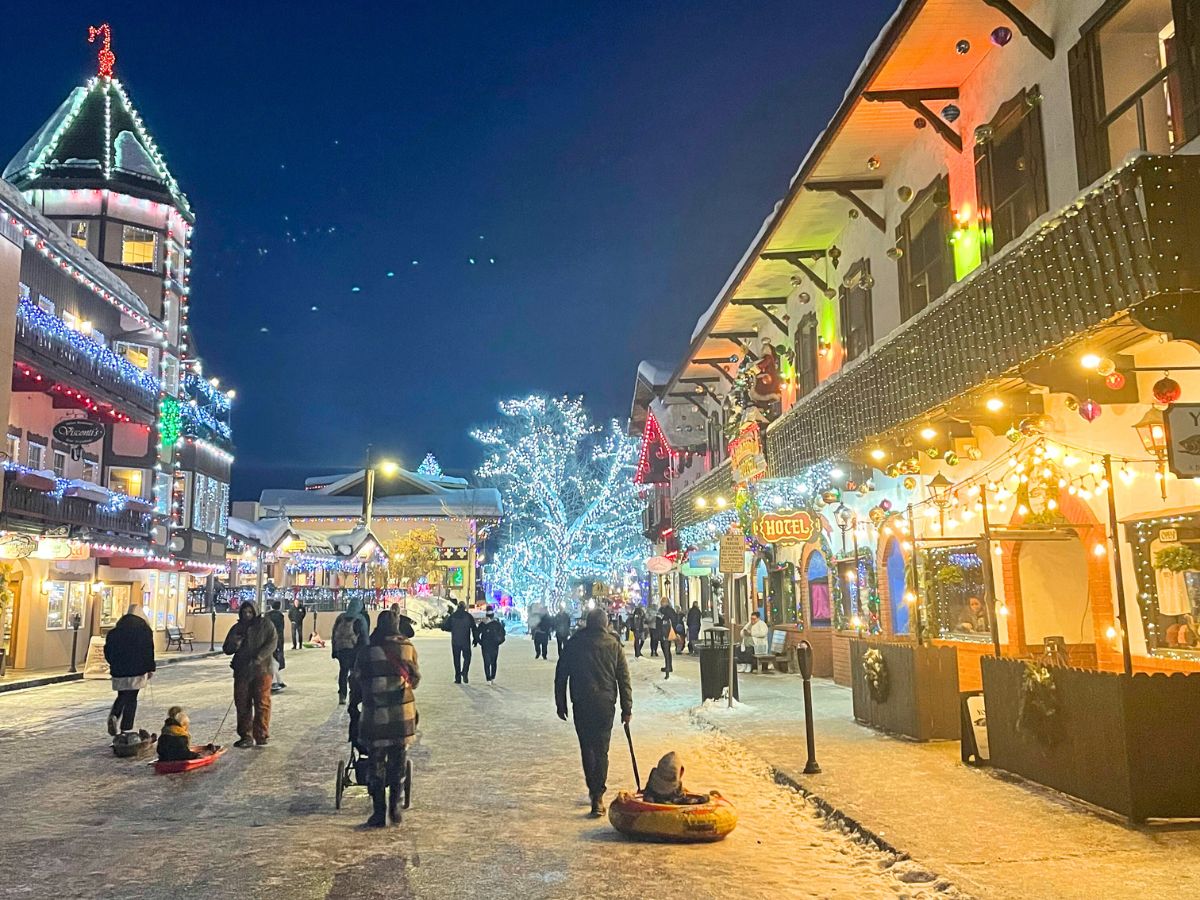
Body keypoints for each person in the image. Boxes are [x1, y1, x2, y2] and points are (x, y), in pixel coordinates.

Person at [555, 608, 633, 818]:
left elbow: (561, 674)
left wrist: (560, 702)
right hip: (605, 703)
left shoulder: (574, 643)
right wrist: (627, 709)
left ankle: (594, 790)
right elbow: (623, 679)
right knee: (602, 749)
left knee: (587, 747)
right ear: (605, 623)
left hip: (581, 701)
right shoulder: (614, 645)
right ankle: (598, 793)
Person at [354, 609, 420, 827]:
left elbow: (356, 679)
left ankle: (378, 811)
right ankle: (395, 806)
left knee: (376, 762)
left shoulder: (368, 650)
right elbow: (415, 678)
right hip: (402, 716)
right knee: (398, 762)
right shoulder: (407, 647)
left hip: (376, 715)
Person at [222, 601, 277, 748]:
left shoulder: (266, 625)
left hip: (262, 670)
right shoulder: (237, 628)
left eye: (250, 612)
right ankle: (245, 735)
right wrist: (235, 644)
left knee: (262, 703)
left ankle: (261, 734)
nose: (247, 615)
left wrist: (258, 658)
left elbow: (272, 643)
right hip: (242, 671)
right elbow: (227, 648)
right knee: (242, 703)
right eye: (245, 612)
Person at [103, 603, 156, 736]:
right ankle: (126, 728)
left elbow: (107, 651)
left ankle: (114, 715)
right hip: (137, 670)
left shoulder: (114, 632)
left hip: (119, 669)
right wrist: (150, 668)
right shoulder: (144, 631)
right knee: (132, 698)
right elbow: (148, 651)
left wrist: (113, 663)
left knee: (122, 695)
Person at [332, 596, 370, 704]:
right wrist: (367, 651)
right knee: (355, 673)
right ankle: (354, 693)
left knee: (343, 672)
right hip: (354, 650)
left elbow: (334, 634)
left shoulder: (341, 617)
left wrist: (334, 650)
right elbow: (364, 637)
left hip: (341, 650)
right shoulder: (360, 619)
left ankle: (342, 695)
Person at [444, 601, 478, 684]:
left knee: (456, 660)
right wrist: (475, 639)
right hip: (465, 641)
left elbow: (446, 626)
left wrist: (452, 629)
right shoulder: (468, 616)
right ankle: (465, 671)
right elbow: (474, 628)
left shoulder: (453, 616)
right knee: (467, 658)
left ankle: (458, 678)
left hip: (455, 641)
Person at [475, 605, 507, 683]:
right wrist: (499, 641)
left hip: (485, 645)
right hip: (494, 645)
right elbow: (503, 633)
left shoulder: (483, 624)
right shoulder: (497, 623)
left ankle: (488, 678)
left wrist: (480, 642)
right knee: (493, 661)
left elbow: (477, 633)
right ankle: (492, 677)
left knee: (486, 662)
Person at [266, 599, 287, 693]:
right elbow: (281, 629)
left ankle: (277, 680)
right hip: (277, 639)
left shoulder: (267, 615)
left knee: (272, 661)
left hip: (269, 639)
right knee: (273, 661)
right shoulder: (280, 616)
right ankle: (275, 681)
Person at [657, 601, 679, 680]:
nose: (662, 603)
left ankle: (668, 668)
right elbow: (658, 621)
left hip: (667, 631)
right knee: (665, 649)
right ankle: (668, 666)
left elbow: (674, 620)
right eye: (662, 602)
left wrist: (675, 631)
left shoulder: (669, 610)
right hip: (662, 631)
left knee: (666, 649)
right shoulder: (660, 610)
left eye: (664, 602)